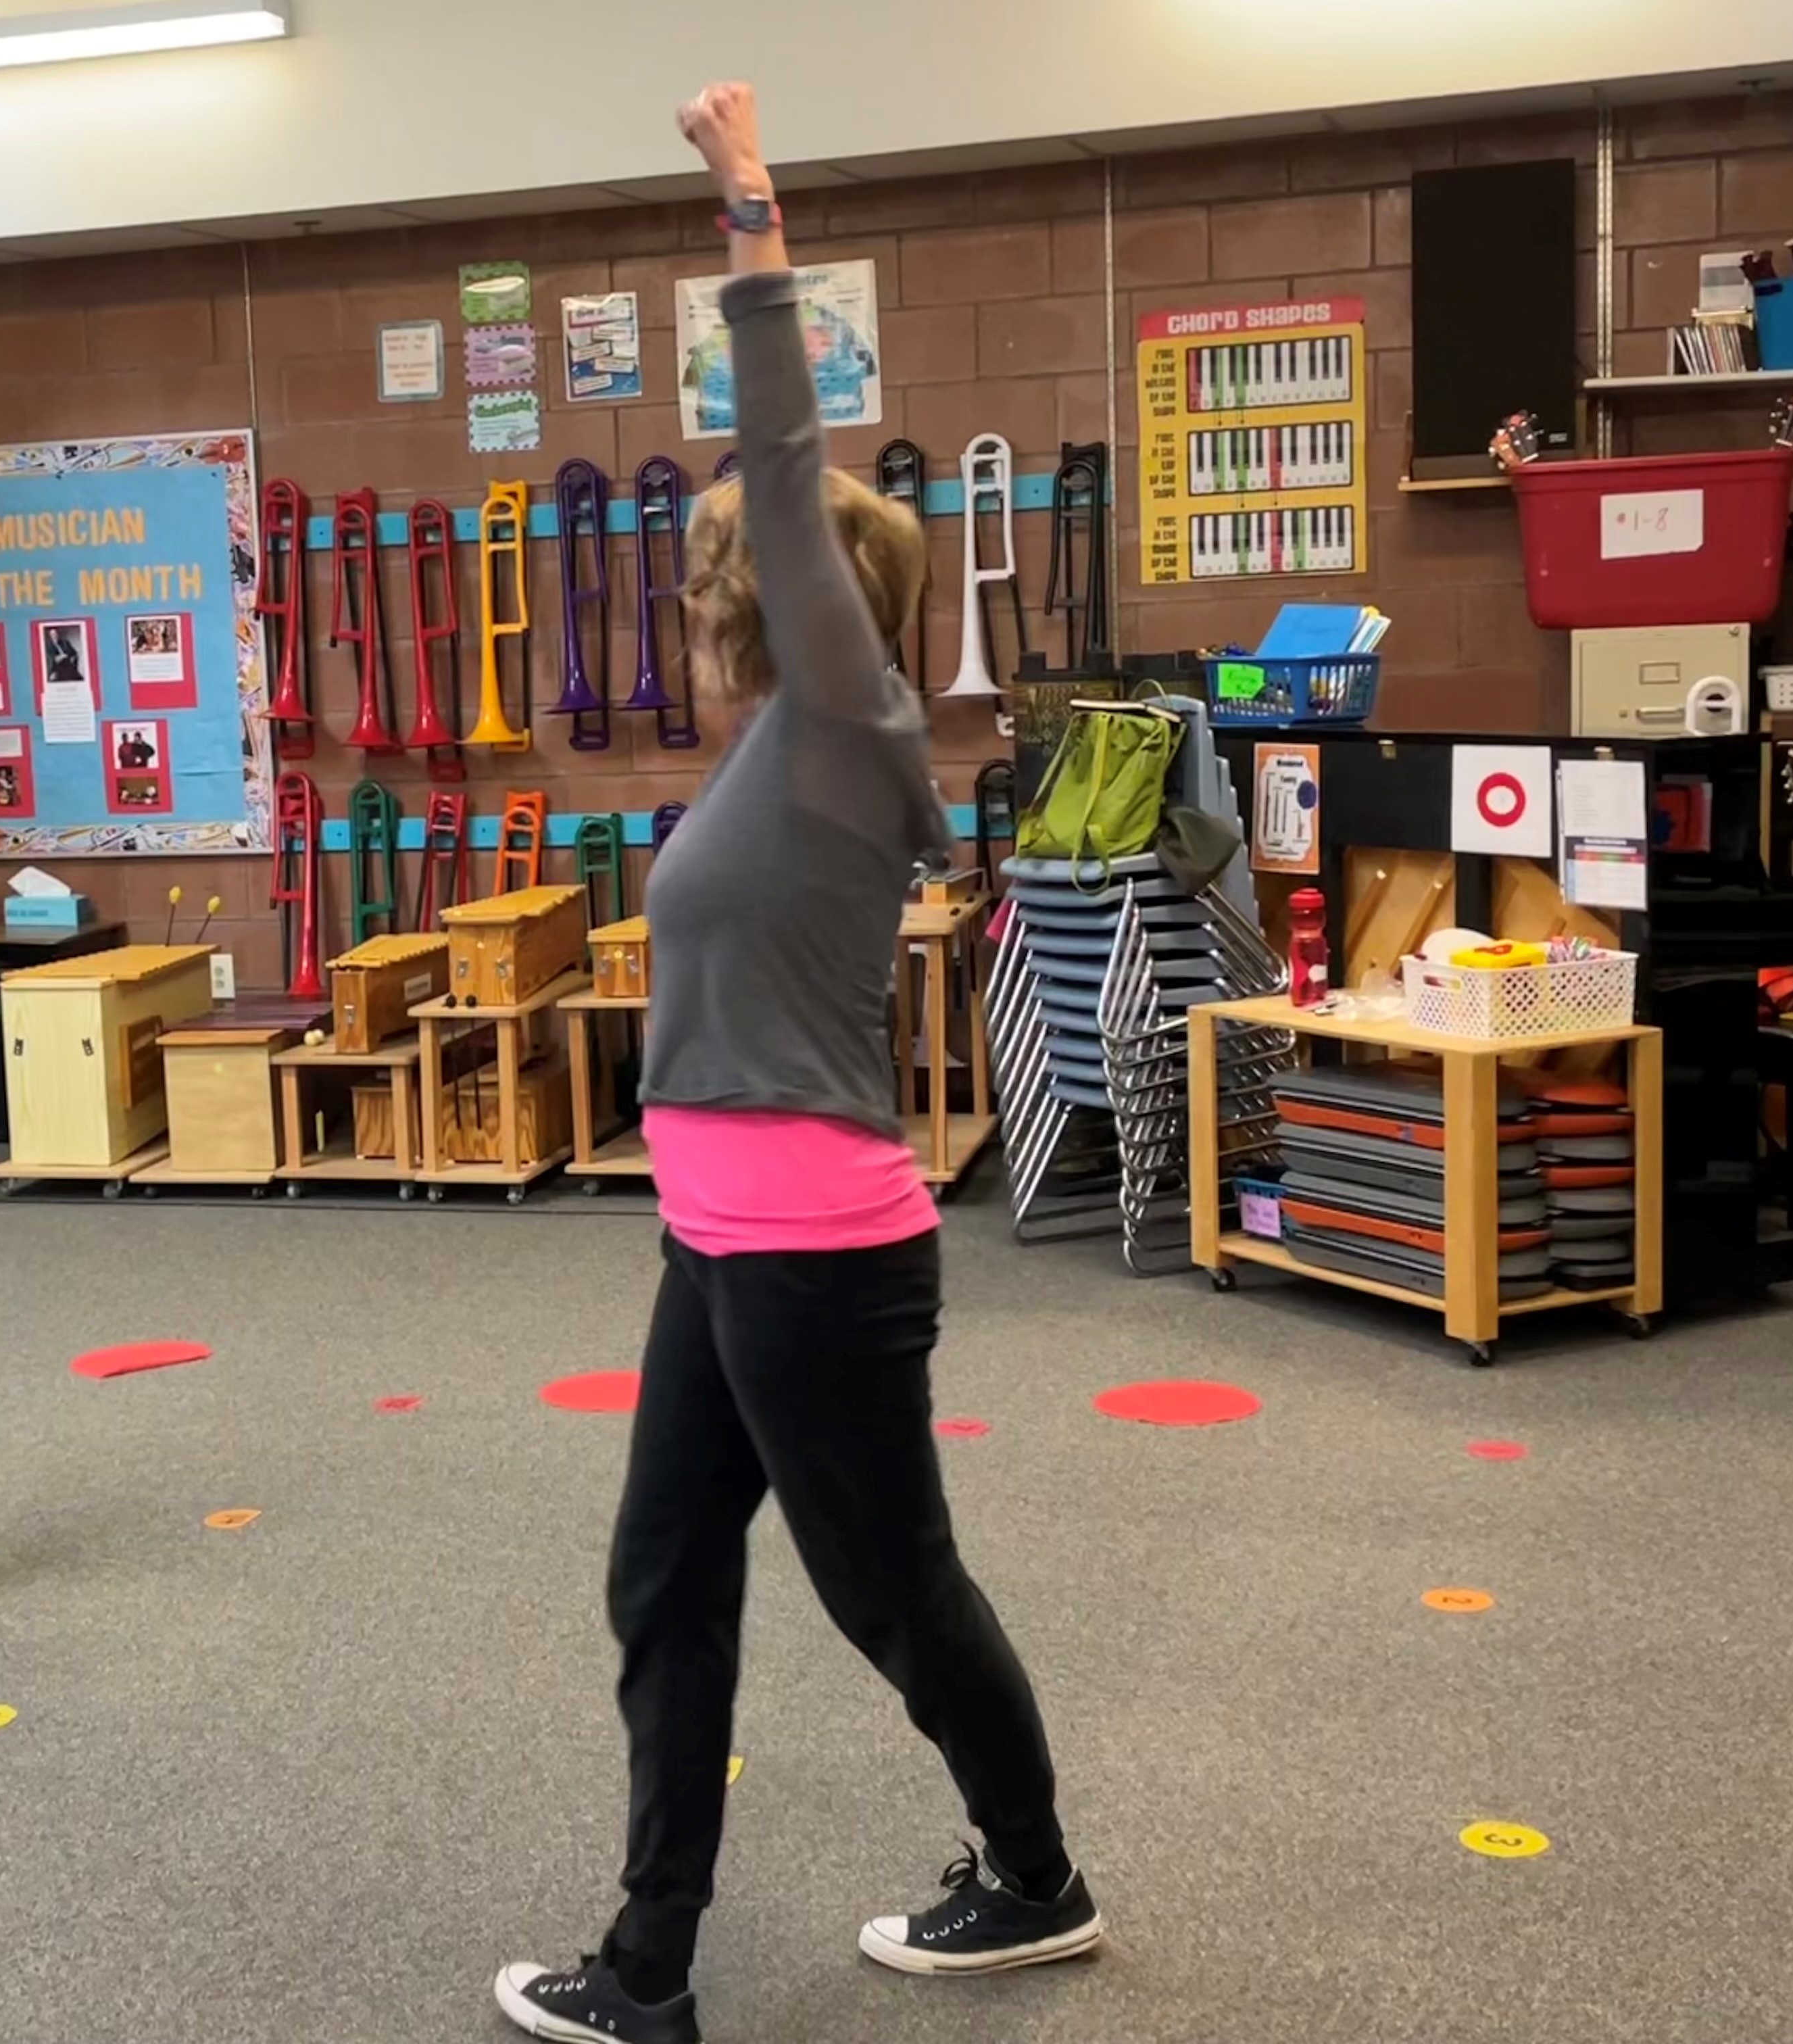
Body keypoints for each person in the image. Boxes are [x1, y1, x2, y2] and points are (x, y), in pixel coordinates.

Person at [493, 82, 1100, 2044]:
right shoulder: (774, 761)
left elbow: (775, 452)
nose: (685, 614)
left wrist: (749, 208)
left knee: (895, 1596)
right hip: (716, 1247)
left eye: (704, 585)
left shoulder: (850, 726)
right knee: (664, 1583)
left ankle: (1035, 1879)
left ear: (760, 597)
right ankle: (648, 1972)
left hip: (818, 1261)